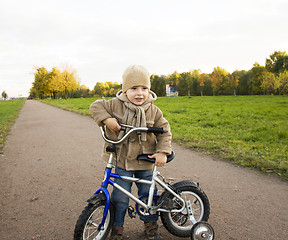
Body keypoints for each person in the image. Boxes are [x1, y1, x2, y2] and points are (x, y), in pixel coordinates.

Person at [90, 65, 172, 240]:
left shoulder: (154, 110)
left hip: (146, 160)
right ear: (125, 89)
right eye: (134, 88)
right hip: (122, 161)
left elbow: (165, 131)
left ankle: (150, 225)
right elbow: (95, 106)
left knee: (148, 194)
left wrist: (162, 152)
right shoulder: (114, 105)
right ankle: (116, 228)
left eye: (144, 88)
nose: (139, 93)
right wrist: (107, 119)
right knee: (119, 198)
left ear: (149, 90)